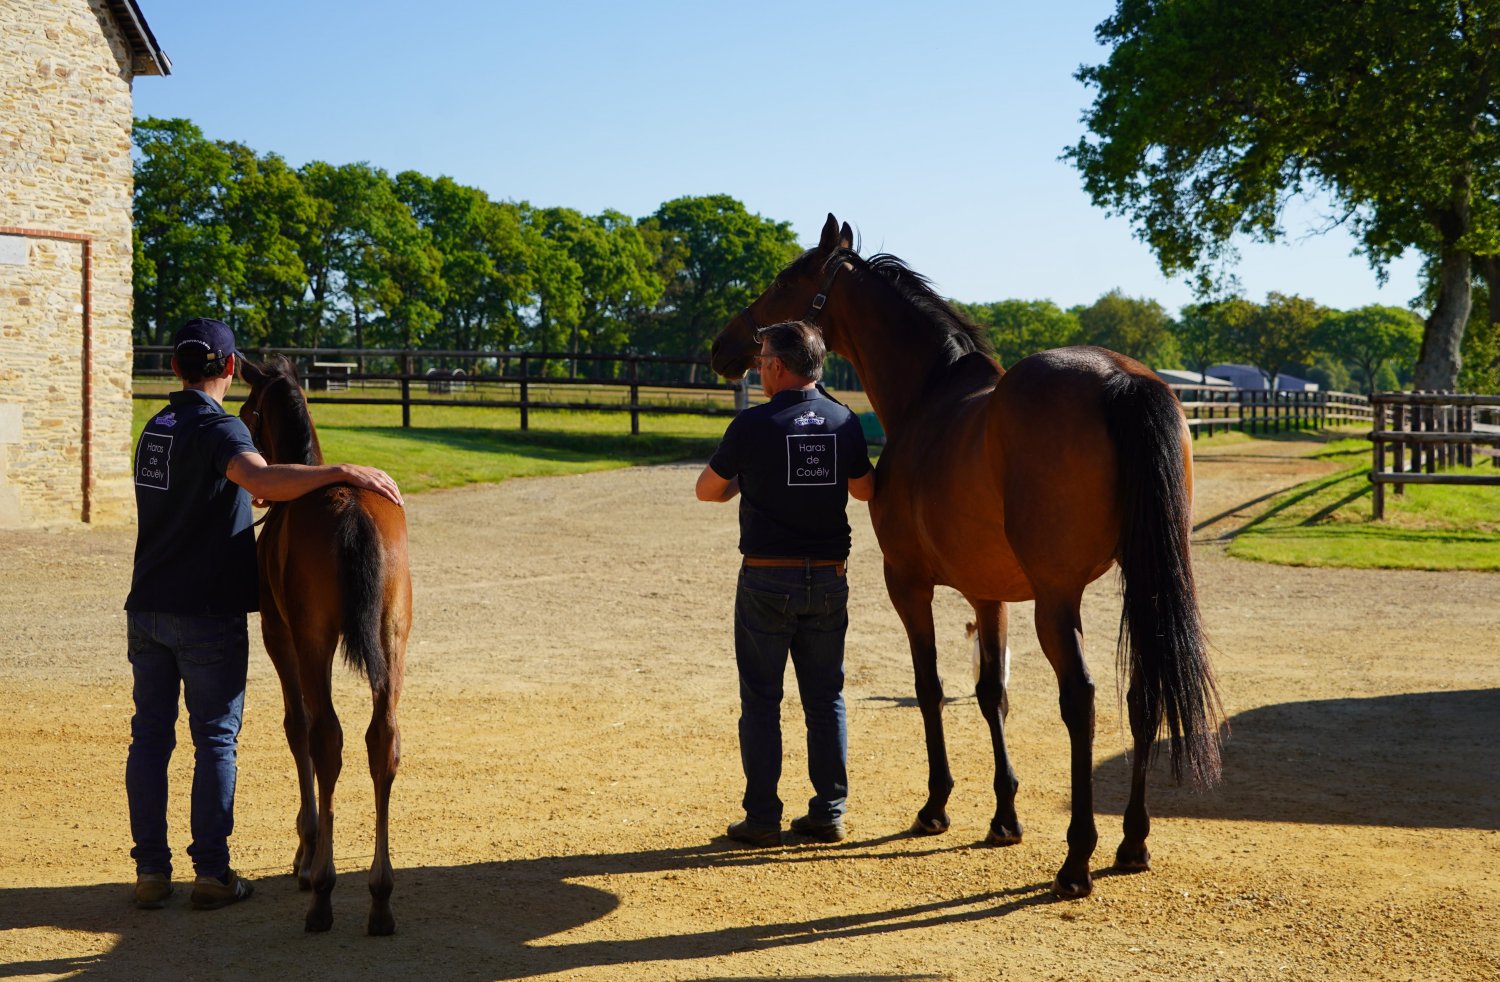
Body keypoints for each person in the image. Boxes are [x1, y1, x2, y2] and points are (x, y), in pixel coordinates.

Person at [125, 317, 403, 910]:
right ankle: (212, 873)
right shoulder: (221, 427)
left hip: (147, 606)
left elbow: (202, 490)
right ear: (229, 367)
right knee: (214, 740)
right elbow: (259, 477)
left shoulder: (155, 429)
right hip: (207, 610)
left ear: (173, 368)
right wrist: (340, 471)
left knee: (149, 738)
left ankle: (150, 871)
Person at [695, 319, 875, 847]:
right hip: (828, 577)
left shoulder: (752, 424)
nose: (758, 369)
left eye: (761, 361)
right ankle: (829, 811)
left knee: (761, 700)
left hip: (767, 579)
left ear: (776, 366)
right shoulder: (844, 419)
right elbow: (865, 490)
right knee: (825, 698)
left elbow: (707, 490)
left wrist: (745, 480)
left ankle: (762, 817)